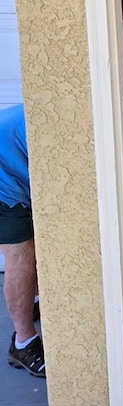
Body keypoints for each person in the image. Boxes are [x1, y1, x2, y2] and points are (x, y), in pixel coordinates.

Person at [0, 104, 45, 377]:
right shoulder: (49, 130)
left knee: (40, 241)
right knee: (20, 255)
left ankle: (35, 300)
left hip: (13, 160)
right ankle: (23, 343)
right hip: (3, 179)